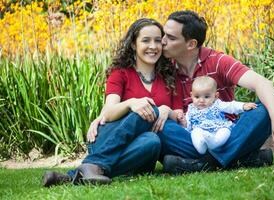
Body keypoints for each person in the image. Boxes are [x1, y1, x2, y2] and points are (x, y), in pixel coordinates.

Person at [42, 18, 183, 187]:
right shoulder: (120, 73)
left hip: (141, 146)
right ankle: (91, 166)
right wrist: (131, 103)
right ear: (133, 44)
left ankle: (78, 174)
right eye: (146, 40)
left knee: (153, 141)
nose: (153, 46)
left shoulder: (169, 77)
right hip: (111, 138)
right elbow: (108, 112)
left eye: (158, 41)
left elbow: (179, 117)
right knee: (147, 107)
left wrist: (166, 109)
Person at [159, 10, 274, 174]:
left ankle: (204, 164)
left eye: (171, 38)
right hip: (193, 137)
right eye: (163, 34)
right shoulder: (164, 67)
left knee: (263, 111)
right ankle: (240, 159)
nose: (162, 41)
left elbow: (263, 83)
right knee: (161, 127)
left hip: (227, 135)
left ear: (191, 44)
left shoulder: (217, 61)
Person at [184, 76, 257, 155]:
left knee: (225, 131)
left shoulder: (217, 104)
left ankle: (214, 143)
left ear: (216, 96)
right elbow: (187, 122)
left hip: (218, 128)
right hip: (201, 130)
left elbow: (230, 106)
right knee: (195, 132)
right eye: (197, 97)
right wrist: (183, 123)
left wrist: (243, 106)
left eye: (206, 97)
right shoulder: (191, 109)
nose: (201, 100)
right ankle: (200, 148)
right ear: (191, 95)